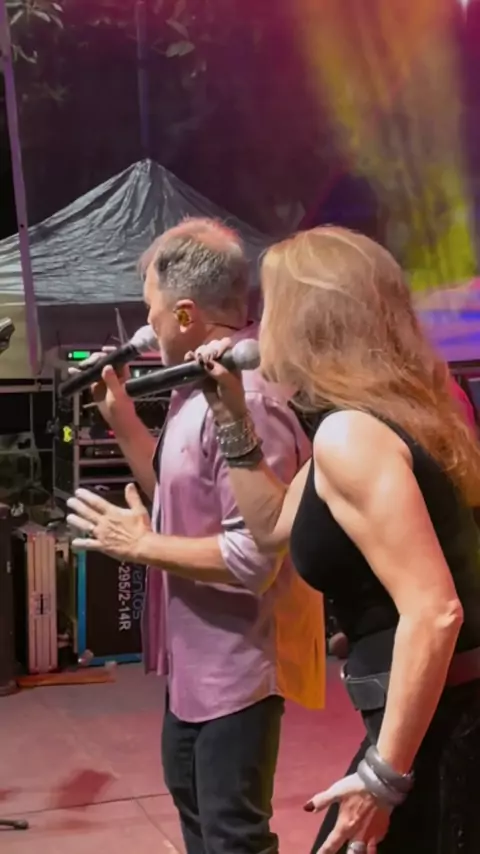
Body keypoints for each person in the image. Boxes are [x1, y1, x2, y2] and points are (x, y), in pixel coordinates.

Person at [188, 226, 480, 854]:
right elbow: (271, 526)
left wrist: (382, 780)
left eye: (269, 307)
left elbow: (435, 611)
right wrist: (231, 413)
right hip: (432, 718)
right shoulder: (381, 419)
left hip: (441, 728)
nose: (257, 327)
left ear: (307, 321)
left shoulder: (351, 436)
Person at [66, 217, 325, 854]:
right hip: (193, 667)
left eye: (151, 311)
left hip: (239, 671)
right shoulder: (196, 388)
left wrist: (140, 545)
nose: (146, 326)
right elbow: (180, 501)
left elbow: (254, 556)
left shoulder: (248, 398)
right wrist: (123, 422)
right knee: (201, 825)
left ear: (185, 314)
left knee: (232, 838)